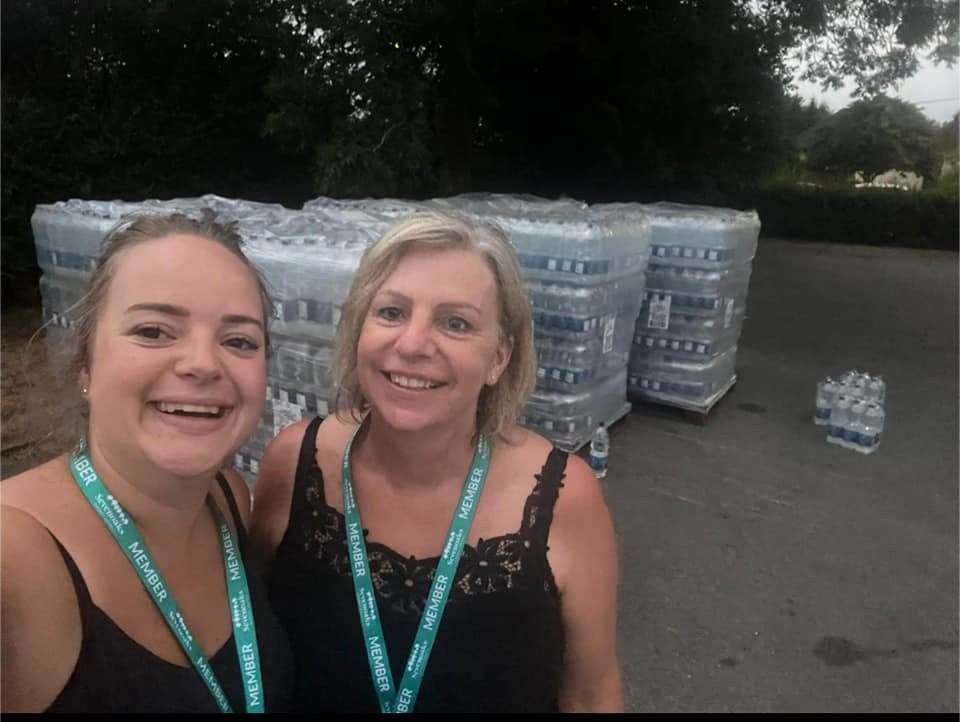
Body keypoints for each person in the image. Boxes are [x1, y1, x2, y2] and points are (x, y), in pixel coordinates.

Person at [250, 210, 622, 713]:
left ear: (498, 357)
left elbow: (591, 694)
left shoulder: (562, 497)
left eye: (455, 323)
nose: (412, 345)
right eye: (391, 312)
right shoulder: (294, 462)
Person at [1, 212, 293, 713]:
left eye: (239, 340)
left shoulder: (228, 500)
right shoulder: (15, 554)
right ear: (86, 364)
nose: (203, 363)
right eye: (154, 331)